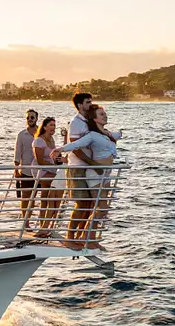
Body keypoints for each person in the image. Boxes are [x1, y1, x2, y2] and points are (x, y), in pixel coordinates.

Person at [52, 104, 120, 250]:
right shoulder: (92, 135)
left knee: (103, 208)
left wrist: (121, 133)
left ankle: (90, 237)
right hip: (95, 173)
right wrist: (60, 149)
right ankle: (84, 236)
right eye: (101, 114)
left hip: (106, 174)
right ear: (94, 118)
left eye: (105, 113)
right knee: (100, 207)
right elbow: (76, 144)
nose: (105, 116)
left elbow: (117, 135)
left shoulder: (106, 134)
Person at [65, 93, 95, 247]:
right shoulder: (76, 123)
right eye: (87, 102)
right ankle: (70, 236)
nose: (90, 104)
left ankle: (82, 235)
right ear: (79, 105)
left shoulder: (88, 121)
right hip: (77, 167)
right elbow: (75, 147)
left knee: (90, 203)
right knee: (82, 203)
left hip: (88, 167)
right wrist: (90, 161)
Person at [31, 117, 65, 239]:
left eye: (54, 126)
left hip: (51, 169)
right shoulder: (39, 141)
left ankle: (46, 225)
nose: (53, 128)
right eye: (51, 125)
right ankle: (45, 225)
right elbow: (40, 160)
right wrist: (53, 165)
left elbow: (54, 156)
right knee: (54, 189)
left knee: (46, 197)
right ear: (44, 126)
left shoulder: (51, 140)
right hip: (41, 170)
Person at [13, 109, 39, 225]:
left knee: (33, 198)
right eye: (28, 118)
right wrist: (16, 169)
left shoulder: (41, 133)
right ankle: (26, 222)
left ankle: (40, 222)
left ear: (36, 119)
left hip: (39, 171)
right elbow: (17, 152)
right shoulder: (21, 134)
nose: (30, 120)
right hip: (26, 170)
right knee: (25, 196)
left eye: (32, 117)